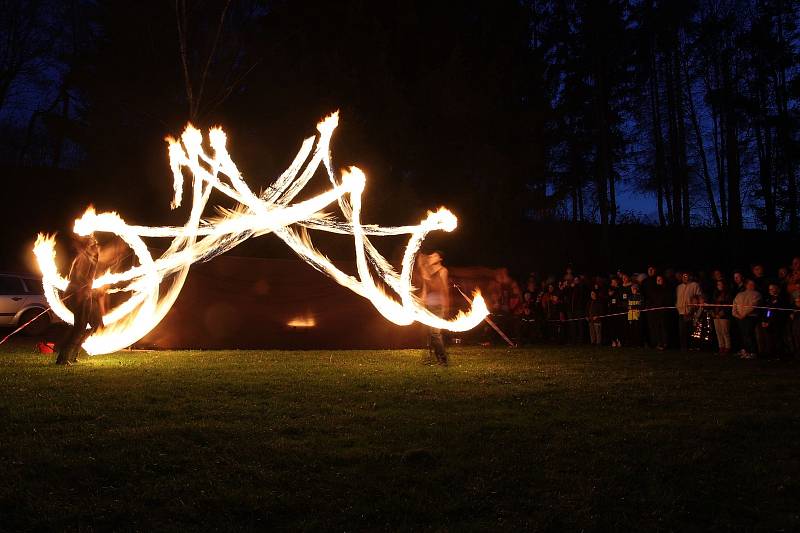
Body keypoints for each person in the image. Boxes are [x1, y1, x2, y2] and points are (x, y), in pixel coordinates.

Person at [56, 234, 104, 365]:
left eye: (97, 245)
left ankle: (72, 355)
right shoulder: (84, 258)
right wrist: (84, 290)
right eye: (95, 245)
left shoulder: (90, 259)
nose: (97, 247)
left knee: (91, 325)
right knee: (79, 326)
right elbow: (78, 277)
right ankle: (63, 357)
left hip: (85, 294)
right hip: (78, 295)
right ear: (89, 246)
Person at [419, 251, 449, 365]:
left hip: (438, 306)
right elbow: (425, 289)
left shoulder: (442, 271)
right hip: (428, 305)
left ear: (440, 259)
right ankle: (434, 358)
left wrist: (446, 305)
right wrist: (422, 302)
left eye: (434, 255)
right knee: (429, 334)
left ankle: (443, 359)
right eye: (430, 255)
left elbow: (444, 289)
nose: (431, 256)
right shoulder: (428, 272)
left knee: (435, 334)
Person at [756, 282, 787, 359]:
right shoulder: (769, 299)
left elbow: (780, 313)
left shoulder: (782, 299)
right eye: (770, 289)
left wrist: (770, 322)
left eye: (773, 289)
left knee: (778, 339)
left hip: (778, 323)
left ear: (778, 289)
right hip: (770, 323)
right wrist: (765, 320)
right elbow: (768, 311)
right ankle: (771, 354)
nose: (771, 290)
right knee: (769, 339)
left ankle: (780, 355)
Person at [732, 279, 762, 359]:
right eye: (750, 284)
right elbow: (734, 304)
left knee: (749, 334)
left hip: (751, 316)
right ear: (746, 285)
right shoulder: (739, 294)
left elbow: (754, 305)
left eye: (753, 284)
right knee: (743, 334)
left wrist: (744, 314)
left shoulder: (756, 294)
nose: (752, 286)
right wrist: (736, 314)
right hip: (740, 317)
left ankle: (753, 352)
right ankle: (746, 350)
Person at [676, 272, 703, 352]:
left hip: (691, 311)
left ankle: (693, 346)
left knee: (691, 330)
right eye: (683, 276)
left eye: (686, 276)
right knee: (682, 330)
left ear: (690, 277)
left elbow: (699, 296)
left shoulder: (694, 285)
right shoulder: (679, 287)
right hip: (681, 312)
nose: (684, 277)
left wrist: (697, 308)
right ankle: (684, 347)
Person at [647, 275, 672, 350]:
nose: (658, 281)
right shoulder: (653, 290)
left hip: (664, 312)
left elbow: (668, 300)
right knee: (657, 328)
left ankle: (665, 343)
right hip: (655, 313)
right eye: (657, 280)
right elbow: (651, 300)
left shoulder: (667, 290)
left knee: (664, 328)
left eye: (660, 279)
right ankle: (658, 343)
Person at [711, 279, 733, 355]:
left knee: (725, 332)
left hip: (724, 316)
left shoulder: (728, 294)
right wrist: (713, 312)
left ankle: (727, 347)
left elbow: (728, 305)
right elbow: (713, 304)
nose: (719, 286)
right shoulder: (715, 294)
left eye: (721, 284)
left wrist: (722, 312)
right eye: (718, 284)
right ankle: (721, 347)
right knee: (718, 332)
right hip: (716, 315)